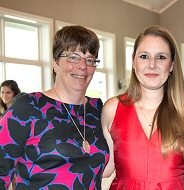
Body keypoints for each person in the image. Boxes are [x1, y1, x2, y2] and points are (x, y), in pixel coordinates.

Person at [0, 25, 110, 189]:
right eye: (73, 57)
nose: (82, 66)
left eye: (90, 59)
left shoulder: (98, 110)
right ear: (55, 63)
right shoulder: (28, 106)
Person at [101, 25, 184, 189]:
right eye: (144, 56)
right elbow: (104, 168)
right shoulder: (112, 109)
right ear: (133, 61)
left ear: (172, 65)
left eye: (161, 57)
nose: (152, 64)